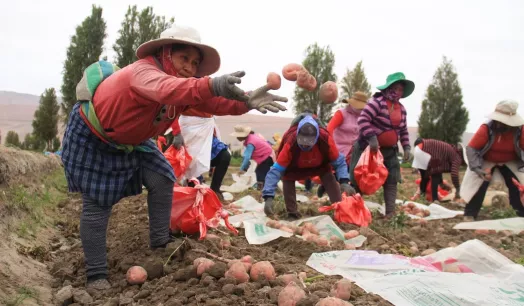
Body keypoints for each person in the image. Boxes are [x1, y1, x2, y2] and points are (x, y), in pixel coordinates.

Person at [61, 24, 288, 290]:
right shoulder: (143, 72)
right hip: (97, 137)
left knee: (162, 177)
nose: (190, 67)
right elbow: (167, 89)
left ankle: (160, 240)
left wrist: (246, 101)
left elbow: (213, 102)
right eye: (184, 59)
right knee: (97, 204)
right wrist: (211, 84)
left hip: (136, 141)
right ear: (166, 52)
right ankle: (96, 274)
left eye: (195, 63)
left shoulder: (180, 88)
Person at [262, 114, 354, 219]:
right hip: (294, 168)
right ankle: (292, 213)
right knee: (287, 177)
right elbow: (276, 171)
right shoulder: (291, 142)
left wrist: (344, 182)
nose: (305, 146)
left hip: (320, 166)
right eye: (302, 142)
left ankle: (340, 209)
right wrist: (268, 197)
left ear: (316, 138)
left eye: (309, 143)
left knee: (328, 177)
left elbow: (339, 162)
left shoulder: (325, 139)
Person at [349, 72, 414, 217]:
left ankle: (390, 213)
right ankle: (353, 210)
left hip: (389, 151)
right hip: (368, 149)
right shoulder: (377, 102)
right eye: (396, 88)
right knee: (360, 179)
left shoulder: (401, 109)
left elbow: (403, 130)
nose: (398, 92)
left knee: (392, 179)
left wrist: (407, 147)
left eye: (401, 89)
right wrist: (372, 138)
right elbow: (363, 120)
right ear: (388, 88)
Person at [462, 100, 524, 221]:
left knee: (517, 185)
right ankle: (470, 213)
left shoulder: (520, 131)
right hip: (487, 159)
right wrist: (477, 169)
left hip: (510, 160)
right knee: (479, 182)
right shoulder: (486, 128)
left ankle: (520, 214)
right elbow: (472, 148)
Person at [318, 91, 368, 197]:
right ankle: (325, 186)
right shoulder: (341, 114)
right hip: (339, 148)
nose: (360, 109)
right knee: (337, 172)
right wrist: (330, 146)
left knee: (354, 174)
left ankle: (351, 197)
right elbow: (329, 129)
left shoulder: (364, 117)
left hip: (355, 151)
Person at [170, 111, 230, 200]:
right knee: (192, 162)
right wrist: (177, 132)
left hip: (207, 129)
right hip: (189, 129)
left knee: (225, 156)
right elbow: (171, 109)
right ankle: (192, 189)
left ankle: (215, 190)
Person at [411, 138, 464, 203]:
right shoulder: (457, 157)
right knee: (435, 174)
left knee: (425, 177)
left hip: (418, 150)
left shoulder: (449, 150)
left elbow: (440, 167)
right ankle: (435, 199)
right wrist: (458, 188)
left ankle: (422, 197)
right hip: (424, 150)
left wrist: (441, 183)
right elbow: (454, 174)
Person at [231, 125, 275, 190]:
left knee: (260, 174)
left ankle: (263, 190)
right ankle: (265, 188)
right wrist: (245, 168)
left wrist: (241, 169)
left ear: (242, 135)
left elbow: (247, 158)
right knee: (260, 172)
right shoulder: (251, 137)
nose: (237, 138)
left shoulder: (250, 142)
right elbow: (247, 157)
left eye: (238, 136)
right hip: (267, 155)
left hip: (267, 156)